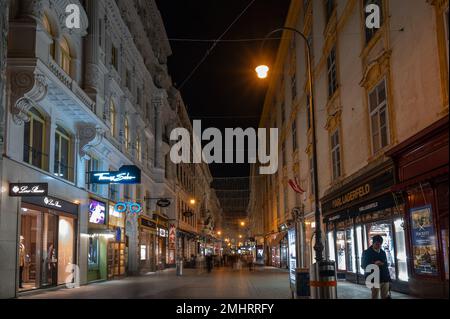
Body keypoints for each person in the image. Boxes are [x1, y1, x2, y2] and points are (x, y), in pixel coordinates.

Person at [361, 235, 392, 299]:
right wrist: (374, 264)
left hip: (384, 277)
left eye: (380, 244)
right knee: (375, 296)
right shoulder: (367, 253)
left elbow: (385, 265)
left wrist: (388, 278)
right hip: (373, 278)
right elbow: (363, 265)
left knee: (385, 296)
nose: (378, 246)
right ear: (373, 243)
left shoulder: (383, 252)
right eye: (377, 244)